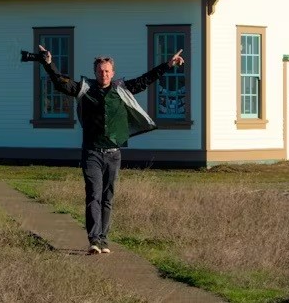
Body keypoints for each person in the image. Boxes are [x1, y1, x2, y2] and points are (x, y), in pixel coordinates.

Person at [37, 44, 186, 255]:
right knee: (93, 194)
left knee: (108, 197)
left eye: (107, 71)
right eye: (100, 71)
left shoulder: (121, 89)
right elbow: (62, 84)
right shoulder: (85, 90)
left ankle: (104, 239)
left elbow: (145, 80)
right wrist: (49, 64)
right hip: (91, 152)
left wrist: (168, 65)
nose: (103, 74)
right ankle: (94, 240)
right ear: (95, 72)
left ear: (112, 73)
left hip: (114, 154)